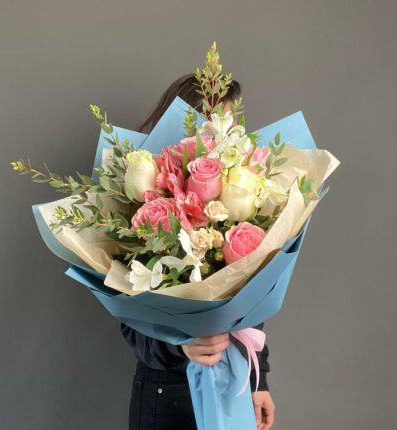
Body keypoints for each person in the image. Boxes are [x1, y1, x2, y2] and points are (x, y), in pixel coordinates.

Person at [121, 73, 276, 430]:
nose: (223, 135)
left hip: (233, 383)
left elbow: (250, 308)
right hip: (165, 392)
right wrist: (181, 345)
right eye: (212, 125)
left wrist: (259, 381)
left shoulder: (244, 200)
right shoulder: (144, 207)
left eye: (230, 125)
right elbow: (132, 325)